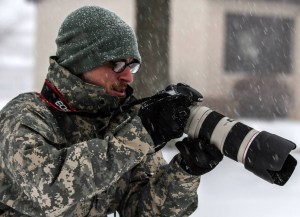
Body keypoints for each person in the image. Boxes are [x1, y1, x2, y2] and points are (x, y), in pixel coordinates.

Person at [0, 6, 223, 217]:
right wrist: (141, 135)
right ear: (80, 63)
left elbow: (142, 210)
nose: (128, 77)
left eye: (132, 66)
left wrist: (185, 171)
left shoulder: (122, 123)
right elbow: (48, 191)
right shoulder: (25, 117)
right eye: (117, 65)